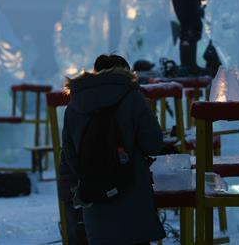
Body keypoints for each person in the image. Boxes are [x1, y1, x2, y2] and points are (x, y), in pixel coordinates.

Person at [62, 54, 165, 245]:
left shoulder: (74, 106)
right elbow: (153, 144)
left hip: (95, 205)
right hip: (134, 206)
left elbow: (70, 158)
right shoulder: (133, 97)